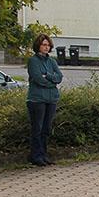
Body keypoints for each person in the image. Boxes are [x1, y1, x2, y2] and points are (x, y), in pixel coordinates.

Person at [25, 33, 63, 166]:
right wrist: (51, 81)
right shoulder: (33, 61)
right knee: (37, 128)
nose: (46, 47)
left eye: (48, 45)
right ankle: (36, 155)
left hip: (51, 99)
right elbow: (38, 79)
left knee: (46, 128)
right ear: (38, 46)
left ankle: (43, 154)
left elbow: (59, 76)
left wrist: (48, 76)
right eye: (43, 45)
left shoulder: (52, 61)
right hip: (37, 99)